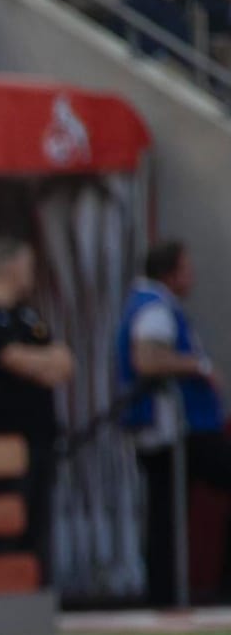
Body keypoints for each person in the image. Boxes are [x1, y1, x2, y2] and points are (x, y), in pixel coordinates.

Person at [117, 240, 231, 605]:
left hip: (173, 429)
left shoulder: (151, 304)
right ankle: (178, 591)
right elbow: (147, 360)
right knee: (166, 511)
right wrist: (200, 367)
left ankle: (164, 593)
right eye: (187, 269)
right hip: (177, 429)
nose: (193, 277)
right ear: (170, 273)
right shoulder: (154, 308)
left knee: (165, 512)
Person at [0, 237, 75, 587]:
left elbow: (64, 364)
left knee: (38, 520)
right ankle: (4, 593)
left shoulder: (29, 315)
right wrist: (37, 361)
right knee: (7, 519)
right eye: (27, 266)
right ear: (10, 266)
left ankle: (38, 590)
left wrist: (36, 361)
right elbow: (15, 361)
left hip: (40, 437)